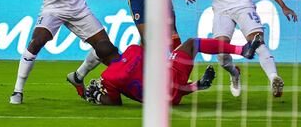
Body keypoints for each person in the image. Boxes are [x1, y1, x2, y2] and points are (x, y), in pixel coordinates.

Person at [81, 34, 263, 106]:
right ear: (115, 49)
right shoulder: (133, 50)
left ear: (103, 60)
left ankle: (193, 87)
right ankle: (241, 50)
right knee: (193, 44)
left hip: (164, 101)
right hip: (174, 75)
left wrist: (97, 96)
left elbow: (115, 102)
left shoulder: (108, 77)